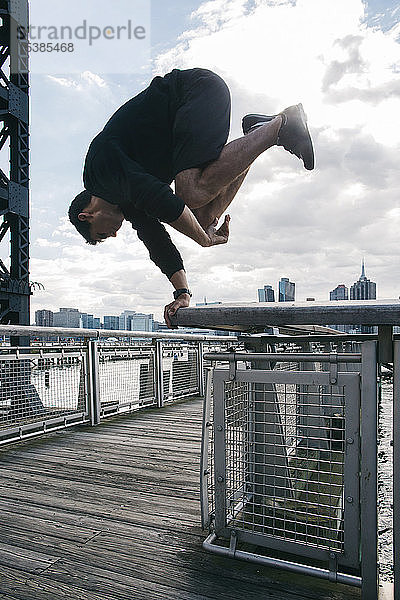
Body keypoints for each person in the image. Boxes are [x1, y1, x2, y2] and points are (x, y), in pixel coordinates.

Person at [68, 67, 314, 328]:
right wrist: (182, 293)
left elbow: (163, 200)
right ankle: (258, 133)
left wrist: (203, 240)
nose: (114, 235)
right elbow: (156, 241)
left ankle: (282, 125)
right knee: (203, 216)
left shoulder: (99, 173)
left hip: (193, 93)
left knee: (191, 193)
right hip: (184, 122)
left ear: (88, 215)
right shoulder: (125, 200)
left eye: (102, 234)